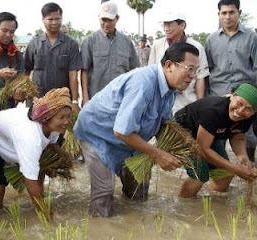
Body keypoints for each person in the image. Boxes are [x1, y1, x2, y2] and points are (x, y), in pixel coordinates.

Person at [74, 42, 199, 217]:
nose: (193, 76)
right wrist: (158, 154)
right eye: (190, 69)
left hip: (129, 139)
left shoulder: (170, 90)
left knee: (139, 188)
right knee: (104, 194)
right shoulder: (143, 83)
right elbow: (122, 131)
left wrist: (178, 148)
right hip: (98, 134)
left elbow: (163, 123)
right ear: (169, 65)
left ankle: (136, 224)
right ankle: (101, 227)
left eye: (196, 71)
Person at [0, 87, 72, 209]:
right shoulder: (30, 137)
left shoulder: (54, 129)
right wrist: (47, 216)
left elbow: (50, 147)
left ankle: (37, 200)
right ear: (47, 117)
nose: (66, 121)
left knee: (39, 168)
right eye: (61, 117)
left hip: (11, 141)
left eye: (68, 116)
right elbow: (30, 182)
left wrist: (55, 163)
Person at [175, 83, 257, 197]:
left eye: (248, 109)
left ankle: (212, 203)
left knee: (225, 174)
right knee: (200, 175)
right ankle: (183, 206)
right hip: (182, 131)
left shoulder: (250, 116)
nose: (240, 111)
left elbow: (238, 137)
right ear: (232, 96)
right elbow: (203, 149)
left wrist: (244, 160)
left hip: (208, 134)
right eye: (239, 103)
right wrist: (237, 169)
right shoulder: (213, 110)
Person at [205, 0, 257, 161]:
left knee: (247, 136)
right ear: (219, 15)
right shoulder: (211, 40)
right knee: (215, 137)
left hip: (245, 97)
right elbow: (208, 70)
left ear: (239, 13)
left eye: (232, 12)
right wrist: (206, 99)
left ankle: (249, 171)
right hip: (218, 97)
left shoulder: (252, 38)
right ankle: (220, 173)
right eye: (224, 13)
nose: (228, 17)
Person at [80, 0, 140, 106]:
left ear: (117, 18)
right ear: (99, 17)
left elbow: (134, 70)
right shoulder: (89, 41)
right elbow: (84, 71)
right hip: (96, 99)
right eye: (103, 20)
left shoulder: (126, 42)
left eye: (110, 20)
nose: (106, 24)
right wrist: (85, 98)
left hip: (121, 99)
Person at [24, 3, 82, 111]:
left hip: (61, 100)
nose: (54, 22)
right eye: (50, 19)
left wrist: (74, 101)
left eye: (58, 19)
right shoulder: (34, 44)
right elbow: (26, 72)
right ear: (43, 19)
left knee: (61, 127)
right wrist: (30, 94)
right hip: (37, 100)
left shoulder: (71, 44)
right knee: (36, 127)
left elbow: (73, 74)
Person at [149, 10, 209, 113]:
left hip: (187, 102)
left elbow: (200, 77)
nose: (166, 28)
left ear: (182, 25)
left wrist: (200, 105)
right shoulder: (157, 45)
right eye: (164, 24)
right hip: (161, 103)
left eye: (170, 24)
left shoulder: (197, 47)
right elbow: (152, 73)